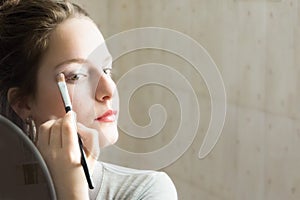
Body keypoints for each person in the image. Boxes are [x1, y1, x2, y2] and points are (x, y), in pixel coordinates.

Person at [0, 0, 178, 199]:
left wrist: (72, 193)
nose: (109, 89)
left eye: (106, 69)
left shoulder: (145, 191)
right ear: (22, 103)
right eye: (76, 76)